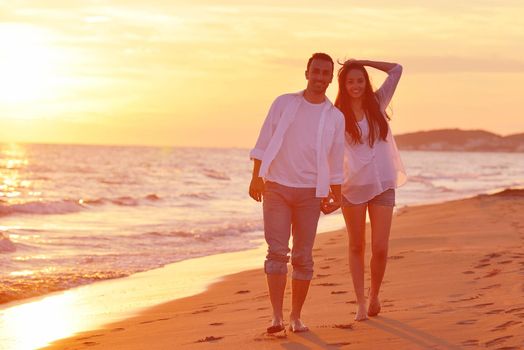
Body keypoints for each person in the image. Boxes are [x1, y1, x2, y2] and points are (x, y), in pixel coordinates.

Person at [249, 53, 345, 333]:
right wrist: (256, 177)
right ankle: (277, 316)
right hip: (276, 187)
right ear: (306, 73)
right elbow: (264, 140)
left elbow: (336, 158)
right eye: (315, 71)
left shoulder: (334, 117)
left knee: (303, 256)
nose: (320, 77)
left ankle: (296, 317)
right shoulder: (284, 103)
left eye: (325, 73)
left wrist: (336, 193)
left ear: (330, 78)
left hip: (310, 194)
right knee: (276, 252)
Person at [335, 59, 407, 321]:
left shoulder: (378, 103)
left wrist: (361, 62)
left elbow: (396, 69)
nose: (356, 85)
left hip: (382, 184)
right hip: (351, 186)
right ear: (343, 85)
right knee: (356, 245)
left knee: (379, 247)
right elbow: (328, 153)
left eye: (360, 80)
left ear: (366, 82)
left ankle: (375, 294)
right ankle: (361, 303)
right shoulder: (336, 115)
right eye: (350, 81)